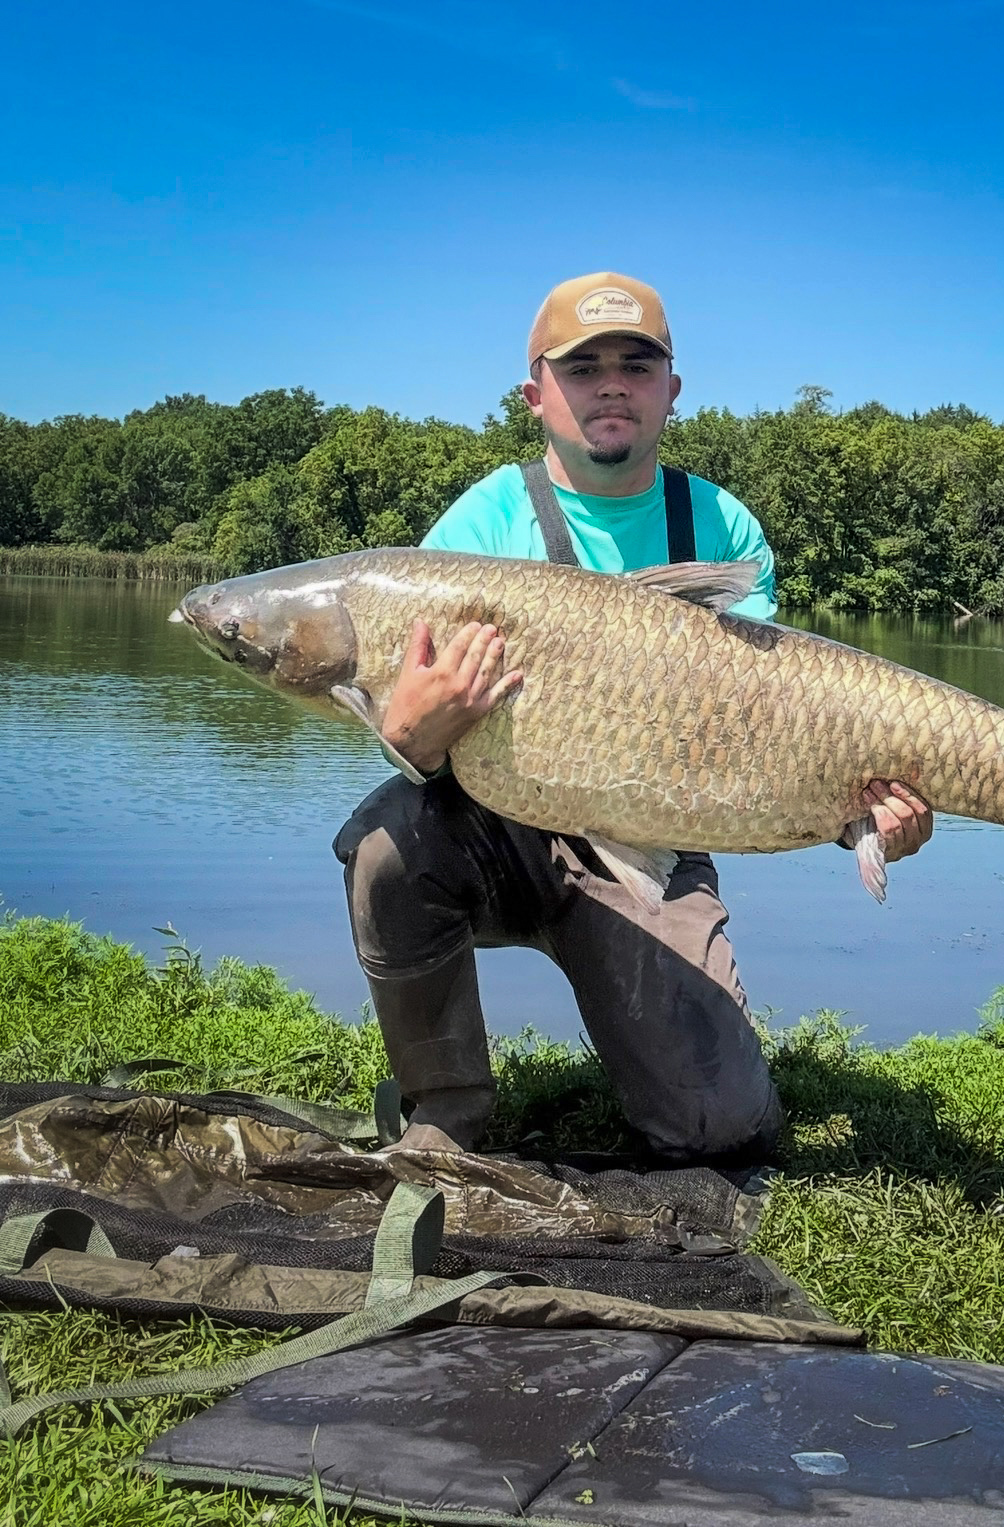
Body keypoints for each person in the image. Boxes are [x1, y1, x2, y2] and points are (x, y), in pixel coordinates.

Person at [333, 272, 933, 1159]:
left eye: (636, 364)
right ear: (536, 395)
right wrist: (412, 741)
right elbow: (417, 735)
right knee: (386, 846)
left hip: (649, 839)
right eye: (583, 368)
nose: (611, 383)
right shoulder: (479, 523)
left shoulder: (720, 527)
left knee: (719, 1126)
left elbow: (760, 737)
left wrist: (861, 816)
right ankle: (446, 1109)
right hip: (491, 825)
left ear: (671, 391)